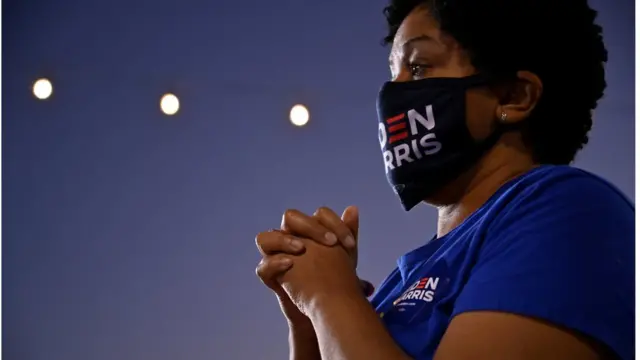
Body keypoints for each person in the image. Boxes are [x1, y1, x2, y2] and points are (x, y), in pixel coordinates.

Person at [255, 0, 634, 359]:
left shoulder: (572, 212)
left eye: (419, 67)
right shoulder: (404, 282)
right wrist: (309, 325)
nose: (393, 91)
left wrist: (331, 296)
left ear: (514, 97)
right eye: (393, 72)